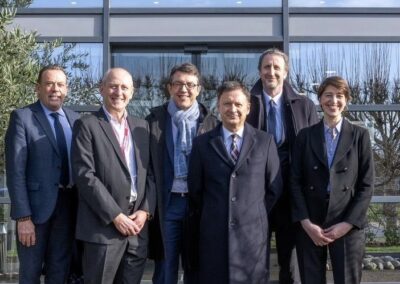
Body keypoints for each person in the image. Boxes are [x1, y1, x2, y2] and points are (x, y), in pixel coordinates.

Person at [188, 81, 282, 283]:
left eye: (238, 104)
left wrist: (252, 213)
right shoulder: (202, 144)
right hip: (214, 236)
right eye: (227, 104)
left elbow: (274, 188)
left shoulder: (265, 142)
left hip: (252, 238)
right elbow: (196, 190)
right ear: (218, 107)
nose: (233, 109)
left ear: (248, 107)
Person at [72, 67, 156, 284]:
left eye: (124, 87)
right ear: (102, 89)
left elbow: (151, 175)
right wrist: (115, 216)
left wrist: (145, 211)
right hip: (103, 230)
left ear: (132, 92)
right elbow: (85, 176)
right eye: (113, 86)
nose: (119, 92)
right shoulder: (87, 125)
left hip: (136, 230)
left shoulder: (142, 127)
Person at [291, 76, 374, 284]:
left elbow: (366, 185)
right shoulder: (305, 136)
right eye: (328, 95)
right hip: (311, 221)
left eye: (339, 96)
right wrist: (306, 223)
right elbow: (294, 182)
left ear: (346, 100)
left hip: (346, 220)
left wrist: (346, 224)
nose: (333, 101)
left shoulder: (360, 136)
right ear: (320, 99)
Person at [246, 48, 319, 284]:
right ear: (259, 71)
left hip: (292, 194)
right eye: (266, 67)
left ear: (285, 72)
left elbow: (313, 150)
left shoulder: (304, 105)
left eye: (277, 67)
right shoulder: (247, 104)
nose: (271, 72)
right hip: (257, 193)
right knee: (255, 259)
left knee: (291, 263)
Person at [5, 65, 80, 283]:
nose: (55, 89)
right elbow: (15, 172)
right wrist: (23, 217)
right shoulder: (23, 117)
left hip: (68, 207)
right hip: (35, 212)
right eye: (49, 84)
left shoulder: (76, 120)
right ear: (38, 88)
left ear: (66, 89)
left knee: (60, 271)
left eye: (60, 84)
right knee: (30, 274)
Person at [147, 62, 218, 284]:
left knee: (196, 265)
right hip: (167, 204)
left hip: (198, 205)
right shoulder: (153, 122)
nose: (183, 89)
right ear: (169, 88)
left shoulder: (212, 123)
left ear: (198, 89)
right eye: (178, 83)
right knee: (165, 267)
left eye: (190, 84)